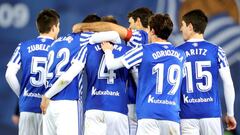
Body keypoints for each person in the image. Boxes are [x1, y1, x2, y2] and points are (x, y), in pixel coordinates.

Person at [101, 13, 185, 135]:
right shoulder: (181, 55)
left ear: (151, 30)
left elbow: (112, 65)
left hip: (148, 115)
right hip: (171, 116)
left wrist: (108, 51)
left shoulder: (143, 50)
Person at [73, 8, 153, 135]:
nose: (129, 27)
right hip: (129, 104)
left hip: (120, 104)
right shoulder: (126, 49)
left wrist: (83, 27)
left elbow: (114, 30)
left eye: (130, 23)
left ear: (138, 21)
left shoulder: (141, 37)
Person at [40, 14, 121, 135]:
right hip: (67, 102)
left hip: (48, 106)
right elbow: (115, 35)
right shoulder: (84, 37)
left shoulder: (56, 43)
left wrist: (47, 96)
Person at [177, 9, 237, 135]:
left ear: (190, 26)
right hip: (211, 115)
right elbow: (228, 82)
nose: (181, 29)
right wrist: (230, 114)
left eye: (182, 25)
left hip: (186, 115)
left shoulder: (177, 52)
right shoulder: (217, 51)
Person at [5, 9, 60, 135]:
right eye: (58, 26)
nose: (58, 30)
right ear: (53, 27)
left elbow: (9, 74)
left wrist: (22, 95)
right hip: (49, 108)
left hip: (27, 107)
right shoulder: (60, 48)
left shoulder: (23, 46)